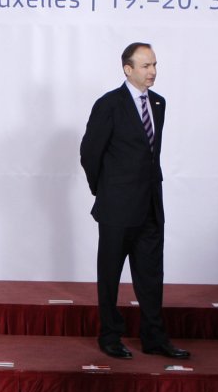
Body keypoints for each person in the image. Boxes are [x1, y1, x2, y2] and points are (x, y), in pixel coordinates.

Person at [79, 42, 190, 360]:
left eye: (154, 64)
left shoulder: (158, 103)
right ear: (128, 69)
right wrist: (105, 190)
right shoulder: (109, 104)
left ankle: (155, 337)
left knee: (152, 275)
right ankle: (110, 335)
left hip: (151, 205)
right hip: (117, 206)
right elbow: (90, 152)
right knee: (110, 273)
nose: (152, 71)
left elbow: (149, 154)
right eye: (145, 66)